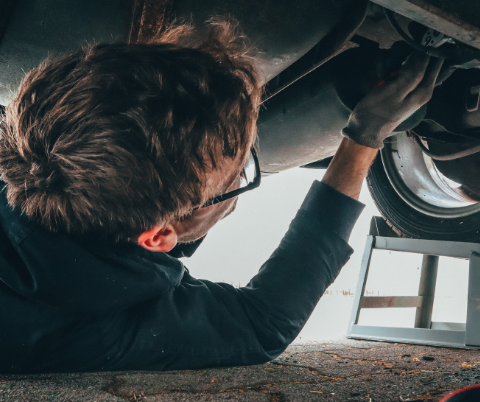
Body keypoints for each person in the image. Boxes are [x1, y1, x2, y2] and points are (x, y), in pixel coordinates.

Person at [0, 21, 442, 373]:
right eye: (241, 172)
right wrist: (362, 138)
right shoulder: (88, 331)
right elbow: (263, 324)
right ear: (157, 236)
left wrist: (363, 135)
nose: (241, 181)